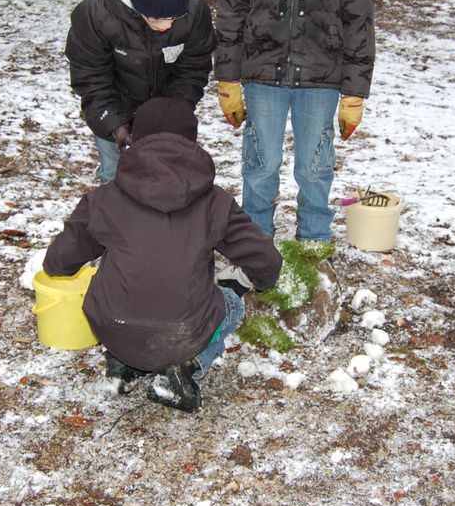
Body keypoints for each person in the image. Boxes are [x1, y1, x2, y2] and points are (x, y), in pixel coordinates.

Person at [42, 98, 283, 413]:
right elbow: (265, 260)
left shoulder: (105, 198)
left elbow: (58, 263)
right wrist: (264, 282)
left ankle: (121, 365)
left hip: (112, 326)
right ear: (191, 142)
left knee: (109, 285)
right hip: (181, 334)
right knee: (233, 304)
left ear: (137, 138)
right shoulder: (214, 201)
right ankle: (182, 371)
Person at [215, 0, 375, 242]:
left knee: (315, 167)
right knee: (261, 164)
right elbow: (231, 11)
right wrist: (227, 78)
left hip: (321, 76)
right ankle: (255, 242)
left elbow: (359, 22)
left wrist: (354, 92)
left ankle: (314, 241)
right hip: (262, 73)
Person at [66, 0, 215, 185]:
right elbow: (91, 78)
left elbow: (193, 70)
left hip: (165, 109)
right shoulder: (96, 14)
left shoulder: (195, 12)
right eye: (157, 18)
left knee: (167, 182)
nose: (166, 26)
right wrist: (115, 125)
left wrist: (172, 116)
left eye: (173, 18)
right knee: (115, 180)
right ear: (138, 4)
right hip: (114, 105)